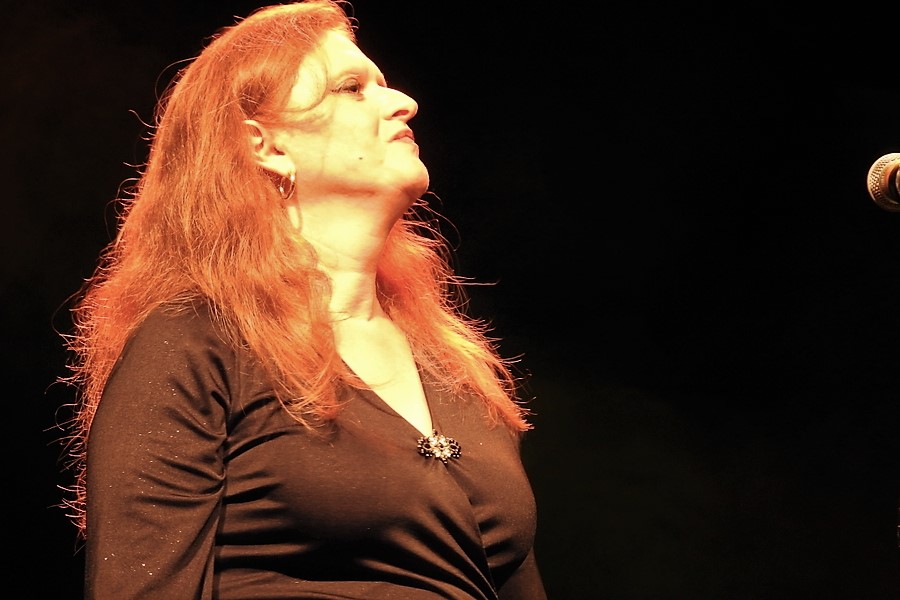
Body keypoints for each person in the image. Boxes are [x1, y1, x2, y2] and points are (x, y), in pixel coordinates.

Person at [58, 1, 546, 598]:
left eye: (383, 85)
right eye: (351, 88)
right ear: (266, 147)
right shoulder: (198, 339)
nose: (403, 103)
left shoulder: (456, 369)